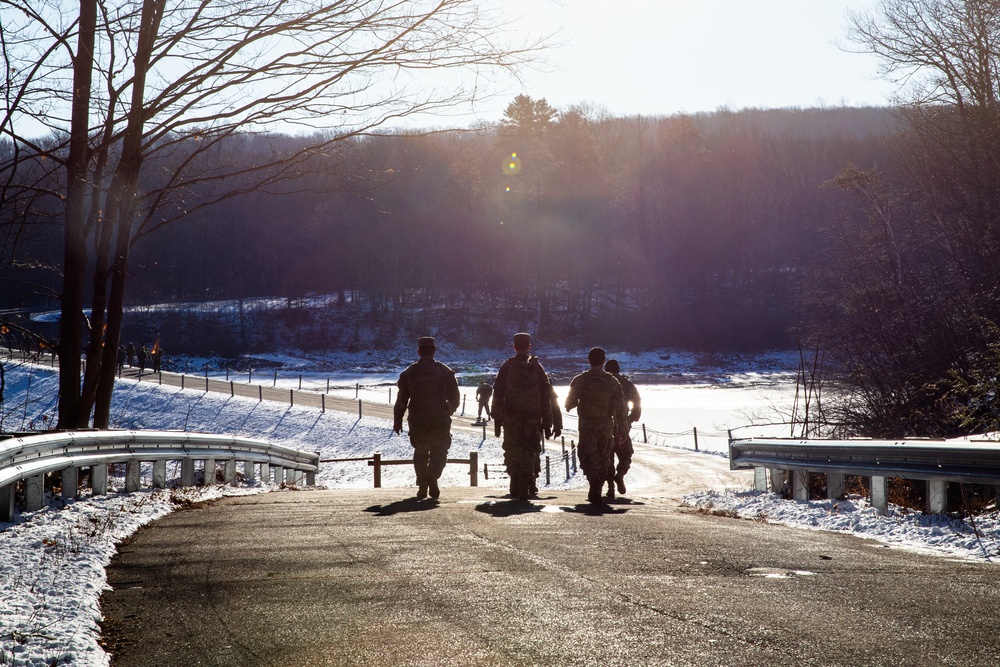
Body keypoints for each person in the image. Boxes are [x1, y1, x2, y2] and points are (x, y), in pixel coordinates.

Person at [393, 336, 461, 500]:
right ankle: (433, 475)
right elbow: (455, 397)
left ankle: (422, 486)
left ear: (419, 352)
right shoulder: (444, 371)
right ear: (434, 351)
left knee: (420, 451)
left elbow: (402, 399)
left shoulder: (410, 373)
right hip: (439, 419)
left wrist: (398, 419)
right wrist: (448, 412)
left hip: (417, 420)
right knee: (440, 449)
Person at [491, 332, 553, 501]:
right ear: (529, 347)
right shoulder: (537, 368)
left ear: (514, 347)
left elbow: (498, 392)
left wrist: (496, 417)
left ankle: (514, 474)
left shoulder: (507, 367)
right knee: (530, 449)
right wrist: (547, 420)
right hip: (533, 418)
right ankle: (526, 479)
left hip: (511, 417)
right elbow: (546, 396)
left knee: (512, 447)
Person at [565, 347, 629, 504]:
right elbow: (621, 409)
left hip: (586, 425)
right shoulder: (612, 381)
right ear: (604, 361)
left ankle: (593, 479)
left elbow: (569, 403)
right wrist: (623, 430)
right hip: (605, 425)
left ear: (588, 361)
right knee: (603, 456)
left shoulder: (580, 379)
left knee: (586, 454)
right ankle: (598, 485)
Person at [604, 359, 642, 497]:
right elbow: (637, 402)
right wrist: (631, 418)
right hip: (622, 426)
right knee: (626, 454)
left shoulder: (603, 383)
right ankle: (620, 475)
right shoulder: (627, 384)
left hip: (604, 425)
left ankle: (610, 487)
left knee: (607, 457)